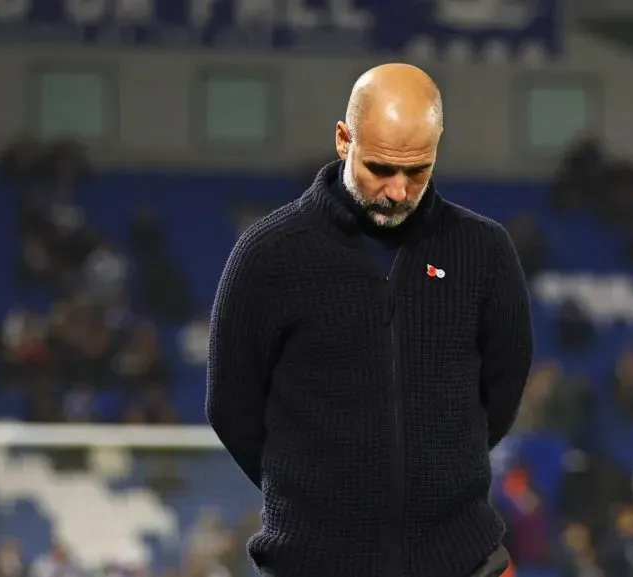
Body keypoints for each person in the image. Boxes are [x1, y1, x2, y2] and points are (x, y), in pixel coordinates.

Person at [207, 62, 533, 577]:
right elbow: (231, 407)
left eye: (418, 170)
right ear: (343, 140)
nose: (398, 191)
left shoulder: (484, 250)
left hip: (465, 562)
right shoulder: (268, 254)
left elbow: (502, 392)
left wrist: (437, 471)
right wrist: (317, 500)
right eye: (380, 168)